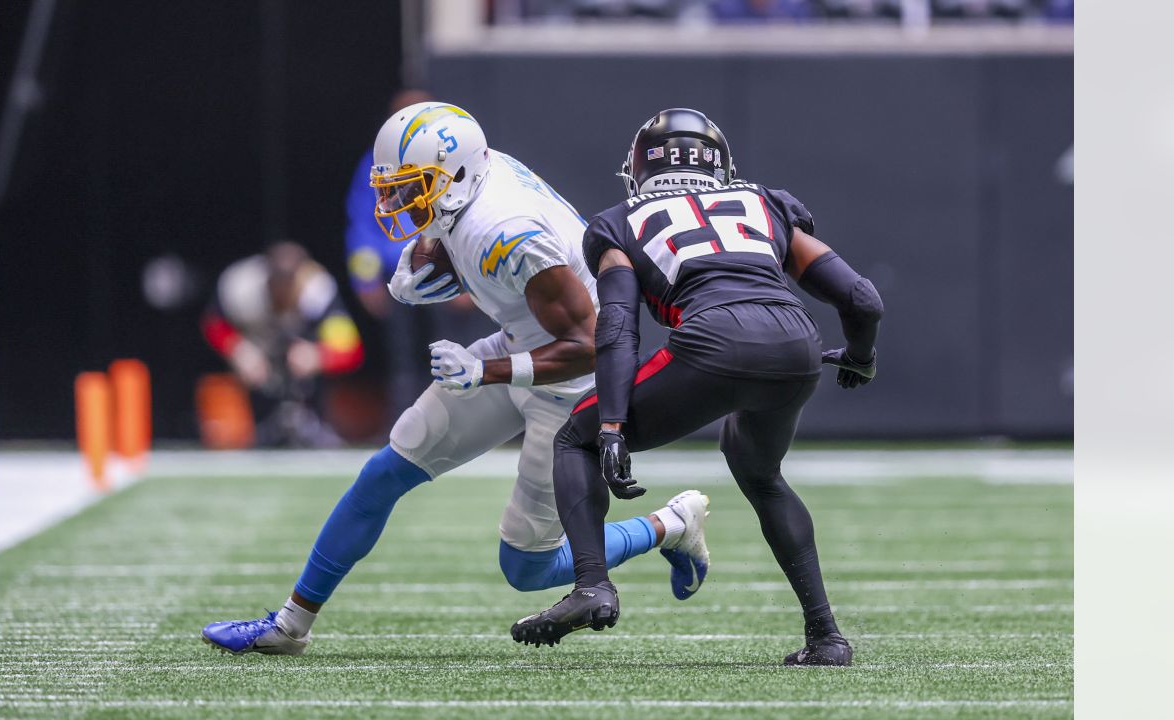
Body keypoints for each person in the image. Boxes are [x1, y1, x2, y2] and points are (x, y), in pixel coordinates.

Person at [200, 102, 710, 655]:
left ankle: (671, 524)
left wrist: (485, 370)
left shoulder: (503, 230)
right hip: (526, 340)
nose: (394, 202)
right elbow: (458, 237)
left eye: (410, 187)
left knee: (528, 566)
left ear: (457, 176)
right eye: (392, 187)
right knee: (383, 473)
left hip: (572, 385)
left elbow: (594, 345)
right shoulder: (473, 184)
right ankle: (290, 625)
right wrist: (430, 254)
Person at [510, 108, 883, 666]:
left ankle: (593, 585)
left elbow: (616, 326)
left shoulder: (619, 222)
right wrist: (859, 357)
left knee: (575, 438)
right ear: (721, 165)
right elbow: (862, 300)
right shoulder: (766, 203)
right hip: (796, 343)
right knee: (759, 470)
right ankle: (826, 636)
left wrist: (611, 425)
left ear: (639, 168)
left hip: (712, 337)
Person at [344, 89, 486, 422]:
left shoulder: (453, 158)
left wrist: (469, 277)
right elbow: (362, 222)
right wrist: (364, 279)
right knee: (402, 355)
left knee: (452, 347)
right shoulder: (376, 163)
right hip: (395, 270)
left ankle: (461, 419)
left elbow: (471, 215)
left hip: (444, 265)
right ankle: (406, 421)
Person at [200, 241, 364, 447]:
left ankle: (314, 422)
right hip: (256, 353)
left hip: (301, 360)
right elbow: (213, 322)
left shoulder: (319, 292)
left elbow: (350, 351)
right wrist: (237, 349)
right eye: (278, 284)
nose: (283, 292)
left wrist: (318, 356)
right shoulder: (240, 285)